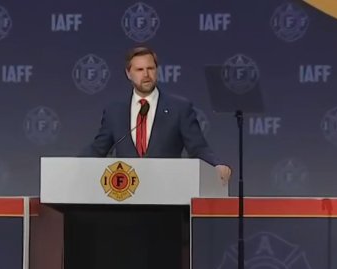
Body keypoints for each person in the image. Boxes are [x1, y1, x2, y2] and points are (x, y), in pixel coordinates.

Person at [81, 46, 232, 185]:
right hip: (125, 194)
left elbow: (198, 148)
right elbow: (98, 149)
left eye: (150, 68)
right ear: (128, 73)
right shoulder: (115, 111)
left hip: (166, 190)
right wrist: (70, 166)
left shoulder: (179, 108)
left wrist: (216, 164)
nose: (146, 75)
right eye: (139, 70)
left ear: (157, 71)